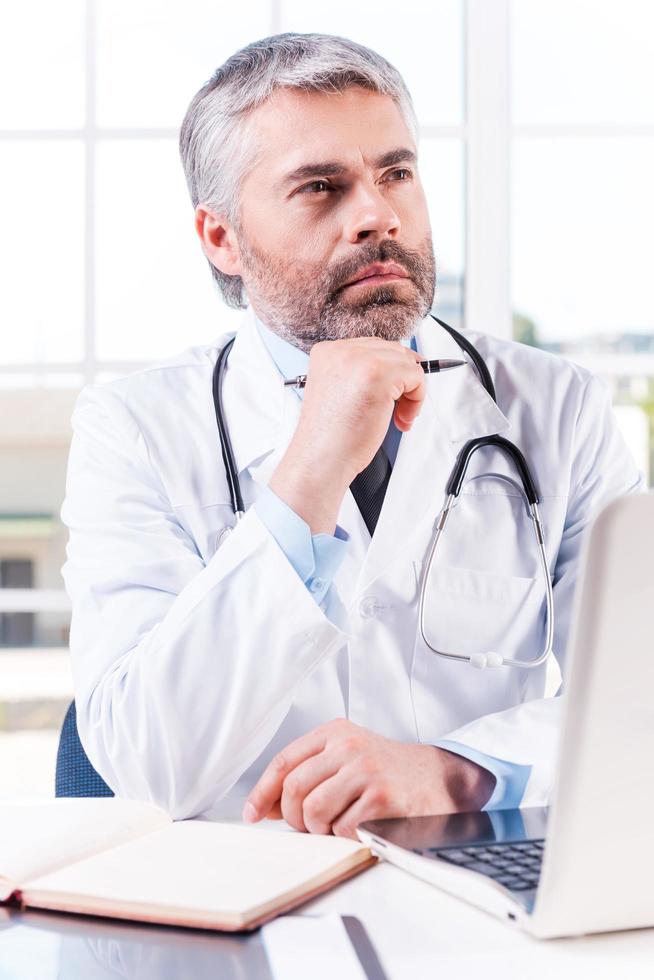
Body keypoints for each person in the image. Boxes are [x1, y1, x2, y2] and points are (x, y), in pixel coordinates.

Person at [60, 33, 644, 837]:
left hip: (476, 899)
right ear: (221, 238)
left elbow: (633, 705)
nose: (378, 214)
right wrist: (309, 472)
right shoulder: (135, 429)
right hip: (241, 910)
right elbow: (146, 762)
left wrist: (456, 770)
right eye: (321, 187)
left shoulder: (557, 407)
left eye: (396, 173)